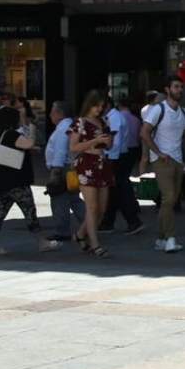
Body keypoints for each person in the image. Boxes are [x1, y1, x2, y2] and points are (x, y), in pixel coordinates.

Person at [141, 76, 185, 253]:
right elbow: (144, 133)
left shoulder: (183, 113)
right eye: (176, 87)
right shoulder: (158, 110)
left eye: (181, 87)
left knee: (171, 200)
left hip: (177, 160)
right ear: (167, 89)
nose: (180, 90)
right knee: (168, 197)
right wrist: (158, 153)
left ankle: (160, 238)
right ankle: (170, 238)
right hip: (161, 160)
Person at [0, 106, 60, 254]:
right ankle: (42, 242)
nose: (21, 119)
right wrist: (32, 128)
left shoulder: (2, 134)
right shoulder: (11, 134)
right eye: (19, 117)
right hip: (17, 182)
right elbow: (29, 143)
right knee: (30, 212)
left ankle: (42, 242)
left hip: (3, 181)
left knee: (0, 213)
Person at [68, 90, 115, 258]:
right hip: (86, 163)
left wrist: (108, 142)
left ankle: (80, 234)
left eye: (102, 106)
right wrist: (95, 141)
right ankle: (95, 244)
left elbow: (109, 145)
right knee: (92, 206)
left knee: (101, 208)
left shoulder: (103, 121)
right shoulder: (79, 123)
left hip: (102, 164)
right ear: (89, 104)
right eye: (97, 106)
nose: (99, 109)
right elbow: (73, 147)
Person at [99, 96, 143, 235]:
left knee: (120, 189)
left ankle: (132, 220)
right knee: (115, 190)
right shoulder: (113, 117)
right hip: (118, 156)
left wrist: (110, 158)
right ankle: (109, 222)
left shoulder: (114, 118)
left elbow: (115, 140)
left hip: (117, 157)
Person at [44, 101, 86, 244]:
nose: (50, 115)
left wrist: (56, 171)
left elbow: (60, 150)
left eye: (52, 112)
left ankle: (62, 230)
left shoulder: (63, 128)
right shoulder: (68, 126)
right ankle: (90, 223)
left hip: (62, 168)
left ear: (60, 113)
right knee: (73, 198)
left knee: (59, 199)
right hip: (69, 166)